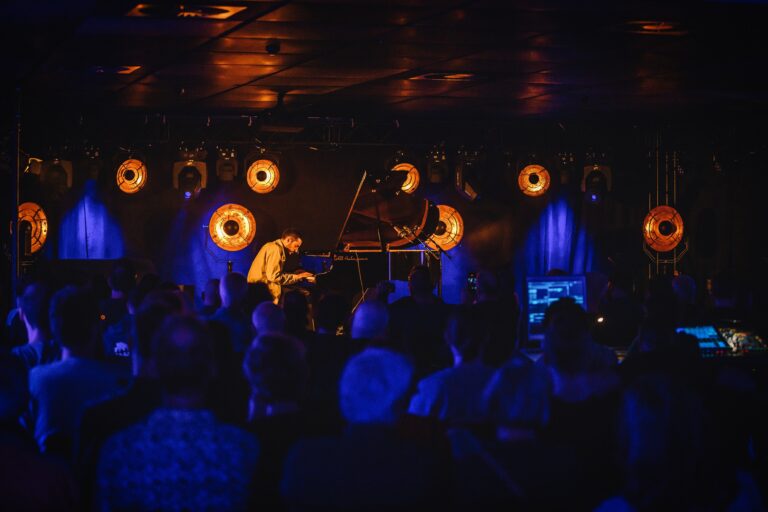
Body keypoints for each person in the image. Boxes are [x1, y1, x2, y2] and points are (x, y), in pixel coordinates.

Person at [247, 229, 314, 304]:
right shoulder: (276, 249)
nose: (296, 250)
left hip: (260, 290)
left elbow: (272, 273)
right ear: (288, 240)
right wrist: (297, 277)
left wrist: (294, 274)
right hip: (263, 293)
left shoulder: (272, 246)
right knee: (303, 295)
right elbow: (273, 277)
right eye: (296, 246)